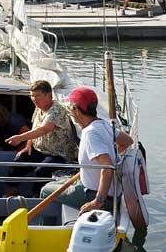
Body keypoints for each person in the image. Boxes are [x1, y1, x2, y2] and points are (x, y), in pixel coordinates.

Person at [39, 87, 133, 215]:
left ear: (76, 109)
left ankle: (47, 230)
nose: (70, 112)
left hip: (94, 194)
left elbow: (107, 168)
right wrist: (115, 157)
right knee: (56, 181)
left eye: (70, 108)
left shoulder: (90, 134)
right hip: (104, 189)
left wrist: (97, 202)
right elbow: (127, 141)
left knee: (45, 190)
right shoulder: (103, 124)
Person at [5, 80, 79, 194]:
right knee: (16, 164)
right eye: (32, 96)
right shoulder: (39, 108)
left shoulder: (57, 110)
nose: (34, 99)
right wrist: (28, 145)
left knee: (41, 171)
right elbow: (35, 127)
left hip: (58, 155)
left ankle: (38, 199)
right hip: (40, 150)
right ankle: (9, 194)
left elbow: (44, 129)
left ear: (49, 95)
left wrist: (20, 138)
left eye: (38, 96)